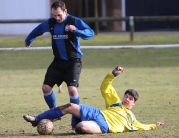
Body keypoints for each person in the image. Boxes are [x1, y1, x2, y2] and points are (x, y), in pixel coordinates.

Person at [23, 65, 164, 134]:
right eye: (126, 96)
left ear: (134, 103)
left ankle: (77, 124)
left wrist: (154, 125)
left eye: (130, 98)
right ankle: (37, 119)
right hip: (98, 114)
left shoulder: (132, 120)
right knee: (70, 106)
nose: (127, 99)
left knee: (81, 127)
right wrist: (113, 74)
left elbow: (143, 126)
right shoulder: (116, 103)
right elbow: (105, 87)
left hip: (104, 126)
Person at [24, 0, 94, 128]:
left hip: (73, 62)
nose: (56, 18)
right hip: (58, 62)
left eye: (59, 15)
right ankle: (54, 112)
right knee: (46, 88)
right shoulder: (51, 23)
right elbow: (38, 29)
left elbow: (90, 33)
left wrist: (76, 31)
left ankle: (76, 120)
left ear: (65, 11)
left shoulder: (74, 21)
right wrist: (29, 39)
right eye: (54, 15)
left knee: (72, 90)